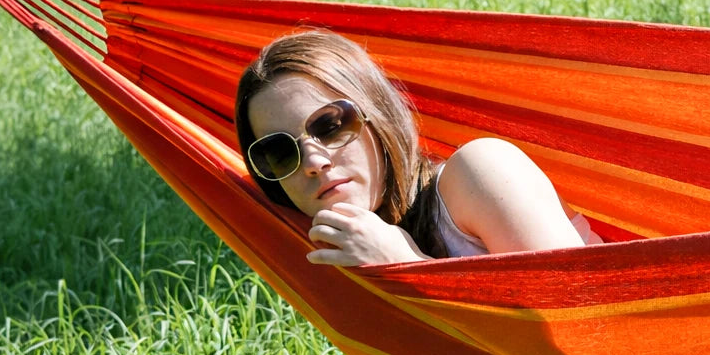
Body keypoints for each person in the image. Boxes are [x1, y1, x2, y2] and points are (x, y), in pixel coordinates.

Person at [234, 30, 600, 265]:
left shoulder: (482, 171)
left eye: (330, 125)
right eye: (279, 153)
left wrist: (405, 264)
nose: (314, 162)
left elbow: (579, 316)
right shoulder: (345, 247)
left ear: (377, 113)